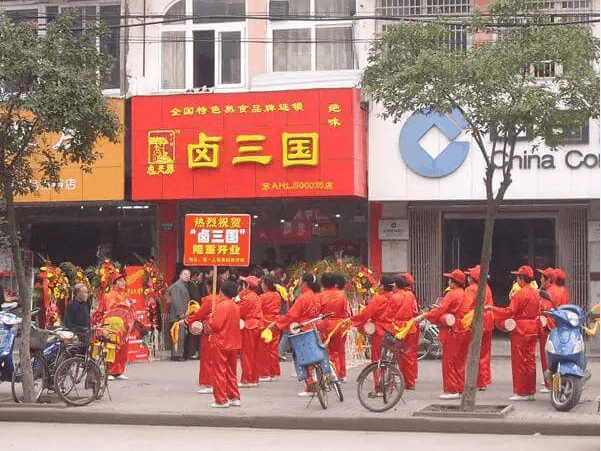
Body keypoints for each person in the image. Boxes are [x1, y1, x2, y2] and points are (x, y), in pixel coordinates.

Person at [488, 265, 540, 401]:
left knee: (519, 362)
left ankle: (521, 392)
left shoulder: (521, 294)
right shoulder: (535, 292)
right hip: (533, 328)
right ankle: (530, 391)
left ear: (522, 279)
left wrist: (492, 309)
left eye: (518, 277)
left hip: (521, 329)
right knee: (530, 361)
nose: (517, 279)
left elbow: (509, 311)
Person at [416, 269, 470, 399]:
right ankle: (460, 387)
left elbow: (440, 310)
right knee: (460, 361)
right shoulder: (464, 294)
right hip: (464, 329)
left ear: (454, 282)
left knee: (449, 361)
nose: (448, 281)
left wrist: (423, 316)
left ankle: (452, 390)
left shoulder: (452, 294)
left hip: (453, 331)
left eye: (450, 279)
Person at [273, 272, 322, 397]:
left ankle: (311, 386)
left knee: (305, 359)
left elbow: (292, 315)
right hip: (313, 328)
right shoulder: (315, 296)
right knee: (312, 359)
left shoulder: (304, 297)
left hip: (303, 329)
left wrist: (278, 323)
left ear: (304, 282)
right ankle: (315, 384)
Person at [352, 276, 396, 393]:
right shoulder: (396, 298)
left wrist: (354, 321)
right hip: (394, 331)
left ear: (382, 286)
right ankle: (390, 387)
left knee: (376, 360)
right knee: (391, 360)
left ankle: (378, 387)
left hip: (380, 331)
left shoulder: (378, 299)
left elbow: (366, 313)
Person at [205, 280, 242, 408]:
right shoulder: (235, 306)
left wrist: (210, 318)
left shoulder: (222, 306)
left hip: (220, 342)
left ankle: (221, 399)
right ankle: (234, 396)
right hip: (233, 342)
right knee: (231, 372)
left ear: (222, 291)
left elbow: (216, 325)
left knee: (219, 372)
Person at [464, 265, 494, 390]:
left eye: (469, 275)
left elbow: (466, 307)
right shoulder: (486, 287)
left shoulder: (471, 289)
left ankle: (479, 382)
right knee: (485, 353)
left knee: (476, 352)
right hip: (488, 320)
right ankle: (485, 380)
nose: (467, 278)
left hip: (477, 320)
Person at [318, 273, 350, 381]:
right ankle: (341, 374)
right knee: (340, 351)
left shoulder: (321, 296)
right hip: (340, 325)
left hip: (325, 325)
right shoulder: (342, 295)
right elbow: (346, 311)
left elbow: (317, 312)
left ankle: (331, 373)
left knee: (327, 351)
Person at [102, 273, 134, 380]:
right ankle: (110, 371)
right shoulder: (112, 294)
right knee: (112, 347)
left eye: (124, 281)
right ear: (115, 283)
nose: (123, 283)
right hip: (114, 324)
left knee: (123, 348)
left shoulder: (125, 294)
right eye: (120, 281)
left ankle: (119, 371)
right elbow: (111, 308)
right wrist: (123, 304)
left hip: (124, 325)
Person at [392, 275, 419, 390]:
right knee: (410, 355)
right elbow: (415, 311)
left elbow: (390, 313)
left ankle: (400, 379)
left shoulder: (394, 297)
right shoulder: (411, 295)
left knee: (397, 355)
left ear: (396, 285)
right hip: (410, 327)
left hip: (397, 328)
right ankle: (410, 381)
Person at [237, 275, 263, 388]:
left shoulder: (247, 298)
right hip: (257, 326)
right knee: (255, 354)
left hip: (249, 326)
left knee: (246, 354)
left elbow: (239, 312)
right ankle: (254, 378)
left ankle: (247, 379)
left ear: (247, 285)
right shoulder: (257, 297)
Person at [256, 275, 283, 382]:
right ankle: (274, 373)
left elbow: (259, 310)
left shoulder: (262, 297)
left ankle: (265, 373)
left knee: (264, 349)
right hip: (276, 323)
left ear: (267, 285)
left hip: (265, 323)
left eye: (263, 283)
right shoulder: (277, 295)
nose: (262, 285)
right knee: (273, 349)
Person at [167, 268, 191, 361]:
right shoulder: (177, 286)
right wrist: (180, 312)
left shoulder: (183, 286)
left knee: (180, 335)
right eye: (185, 274)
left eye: (188, 275)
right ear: (180, 275)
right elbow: (176, 300)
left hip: (182, 314)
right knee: (178, 335)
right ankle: (177, 355)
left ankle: (178, 354)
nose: (187, 276)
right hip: (179, 315)